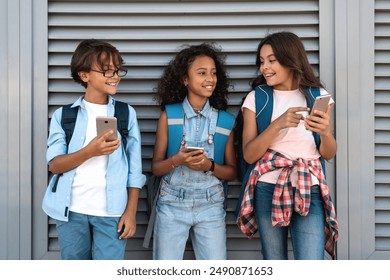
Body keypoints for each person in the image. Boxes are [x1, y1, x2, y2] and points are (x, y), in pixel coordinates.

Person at [236, 31, 339, 260]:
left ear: (291, 59)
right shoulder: (256, 98)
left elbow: (329, 153)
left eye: (272, 60)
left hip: (308, 187)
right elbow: (249, 155)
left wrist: (325, 132)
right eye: (262, 61)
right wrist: (278, 124)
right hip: (267, 187)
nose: (265, 67)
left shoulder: (318, 96)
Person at [42, 39, 146, 260]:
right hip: (71, 211)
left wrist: (131, 212)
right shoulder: (64, 115)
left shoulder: (126, 114)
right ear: (84, 75)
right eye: (107, 71)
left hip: (112, 213)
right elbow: (55, 165)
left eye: (117, 70)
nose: (115, 76)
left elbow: (135, 171)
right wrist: (90, 151)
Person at [152, 43, 237, 260]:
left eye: (213, 73)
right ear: (185, 79)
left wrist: (209, 166)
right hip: (171, 203)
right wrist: (177, 160)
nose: (210, 79)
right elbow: (156, 168)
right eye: (202, 73)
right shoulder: (169, 117)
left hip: (211, 205)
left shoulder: (225, 121)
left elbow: (232, 172)